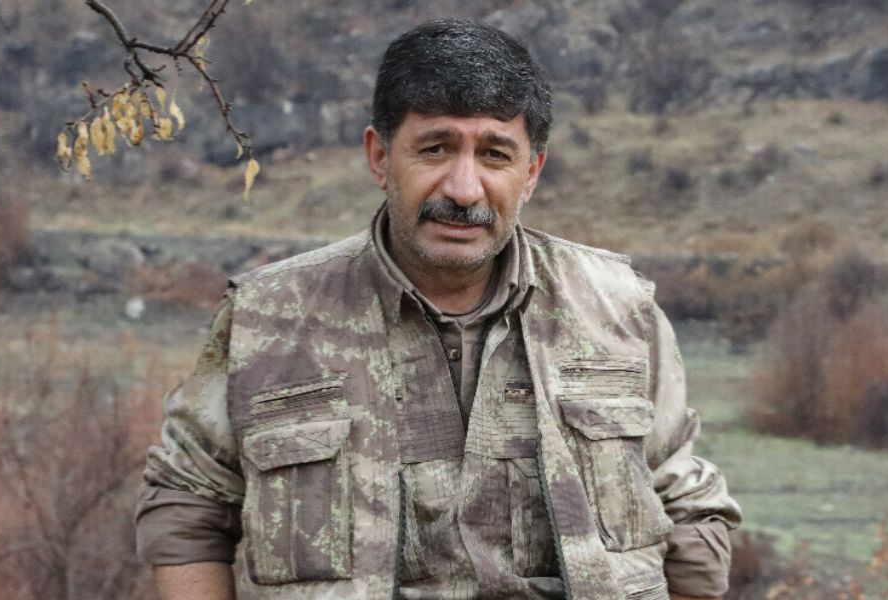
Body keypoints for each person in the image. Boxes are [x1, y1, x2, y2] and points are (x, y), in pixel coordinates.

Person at [135, 18, 741, 600]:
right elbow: (187, 504)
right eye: (435, 149)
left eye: (495, 155)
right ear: (380, 157)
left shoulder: (617, 308)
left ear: (532, 172)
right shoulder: (268, 318)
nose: (463, 189)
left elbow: (690, 514)